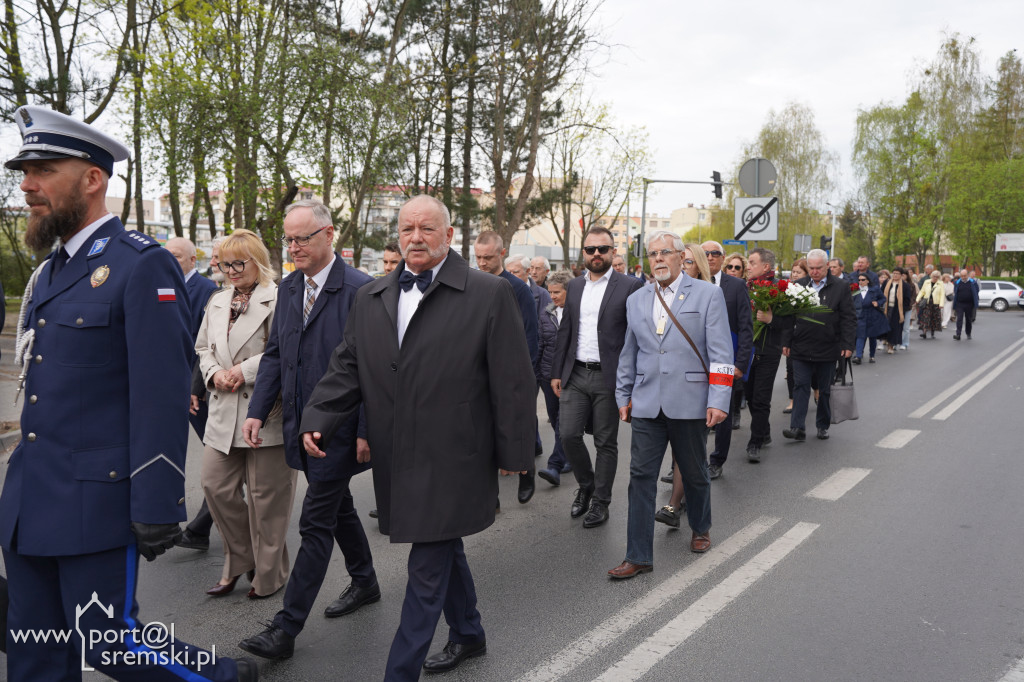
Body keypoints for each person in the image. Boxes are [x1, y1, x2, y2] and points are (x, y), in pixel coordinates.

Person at [1, 105, 252, 680]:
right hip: (32, 500)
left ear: (92, 178)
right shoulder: (50, 271)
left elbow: (161, 395)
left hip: (96, 502)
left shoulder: (140, 266)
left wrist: (158, 503)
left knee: (108, 644)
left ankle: (225, 678)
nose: (27, 185)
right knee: (35, 652)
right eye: (24, 170)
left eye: (42, 169)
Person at [298, 194, 534, 679]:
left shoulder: (488, 293)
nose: (415, 238)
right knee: (442, 543)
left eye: (427, 229)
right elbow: (347, 366)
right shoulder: (373, 297)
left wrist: (516, 453)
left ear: (448, 235)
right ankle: (468, 632)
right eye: (407, 229)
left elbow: (512, 379)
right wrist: (317, 416)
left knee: (426, 566)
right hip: (398, 453)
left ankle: (398, 672)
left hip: (457, 456)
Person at [238, 201, 379, 661]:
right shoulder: (289, 288)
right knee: (337, 507)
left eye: (302, 238)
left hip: (337, 430)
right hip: (301, 425)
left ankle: (286, 628)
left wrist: (364, 429)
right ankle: (365, 580)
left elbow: (373, 372)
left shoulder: (361, 291)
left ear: (329, 234)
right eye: (288, 239)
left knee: (315, 522)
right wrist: (259, 411)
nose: (293, 247)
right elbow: (278, 354)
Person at [608, 230, 733, 580]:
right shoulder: (637, 299)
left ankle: (701, 526)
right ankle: (638, 556)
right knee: (640, 478)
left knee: (694, 472)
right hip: (647, 403)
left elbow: (722, 353)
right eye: (652, 254)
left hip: (692, 401)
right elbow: (628, 352)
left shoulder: (708, 295)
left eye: (665, 252)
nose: (658, 259)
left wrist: (719, 399)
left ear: (681, 256)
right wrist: (623, 394)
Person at [197, 229, 297, 599]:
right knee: (214, 486)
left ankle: (269, 575)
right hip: (224, 409)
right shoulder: (218, 300)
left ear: (257, 261)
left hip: (265, 408)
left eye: (239, 263)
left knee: (266, 500)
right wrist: (213, 373)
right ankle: (241, 560)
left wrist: (244, 371)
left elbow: (286, 349)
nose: (231, 270)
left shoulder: (281, 296)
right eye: (225, 264)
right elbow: (203, 348)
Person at [551, 227, 643, 528]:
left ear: (613, 252)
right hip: (576, 372)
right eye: (591, 249)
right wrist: (556, 371)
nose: (596, 254)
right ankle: (586, 484)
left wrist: (631, 383)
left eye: (603, 249)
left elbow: (636, 335)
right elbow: (566, 330)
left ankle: (601, 502)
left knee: (606, 442)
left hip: (609, 377)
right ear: (584, 253)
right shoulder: (575, 286)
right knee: (567, 434)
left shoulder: (629, 286)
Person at [476, 231, 539, 503]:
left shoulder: (518, 288)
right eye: (477, 257)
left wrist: (524, 375)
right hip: (482, 370)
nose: (481, 263)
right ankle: (492, 495)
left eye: (487, 257)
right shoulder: (473, 284)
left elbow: (529, 334)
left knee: (520, 422)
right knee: (484, 429)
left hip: (515, 370)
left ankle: (527, 471)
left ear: (501, 254)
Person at [657, 244, 711, 522]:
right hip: (664, 384)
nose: (683, 264)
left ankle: (676, 506)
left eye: (689, 261)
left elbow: (720, 347)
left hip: (695, 386)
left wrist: (719, 394)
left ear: (698, 265)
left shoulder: (709, 295)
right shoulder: (659, 294)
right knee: (680, 454)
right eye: (681, 259)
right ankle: (678, 502)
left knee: (690, 456)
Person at [781, 248, 856, 441]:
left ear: (827, 266)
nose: (814, 271)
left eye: (819, 268)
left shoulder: (840, 287)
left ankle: (823, 424)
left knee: (824, 390)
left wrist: (848, 344)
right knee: (800, 386)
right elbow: (789, 316)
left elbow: (848, 317)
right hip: (801, 345)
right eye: (811, 268)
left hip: (828, 347)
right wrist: (786, 341)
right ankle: (797, 427)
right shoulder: (798, 285)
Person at [701, 240, 753, 481]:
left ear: (722, 258)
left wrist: (741, 363)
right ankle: (682, 465)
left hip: (725, 362)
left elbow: (745, 327)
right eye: (705, 253)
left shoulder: (736, 286)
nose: (710, 257)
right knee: (690, 413)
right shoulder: (690, 283)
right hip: (697, 361)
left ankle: (717, 459)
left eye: (714, 253)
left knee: (722, 411)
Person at [743, 248, 785, 462]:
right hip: (748, 350)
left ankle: (755, 442)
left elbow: (790, 323)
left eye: (751, 262)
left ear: (766, 267)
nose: (747, 266)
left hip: (769, 350)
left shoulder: (780, 289)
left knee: (761, 398)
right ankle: (764, 430)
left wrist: (771, 320)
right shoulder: (745, 287)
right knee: (749, 395)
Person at [537, 270, 573, 486]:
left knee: (563, 420)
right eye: (550, 292)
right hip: (547, 374)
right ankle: (568, 455)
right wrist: (536, 371)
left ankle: (554, 465)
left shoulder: (577, 312)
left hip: (569, 376)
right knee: (555, 418)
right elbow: (541, 343)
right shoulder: (546, 312)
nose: (553, 296)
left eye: (557, 292)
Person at [783, 258, 809, 415]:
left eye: (799, 272)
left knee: (811, 369)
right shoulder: (787, 288)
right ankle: (793, 400)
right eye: (793, 271)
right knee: (791, 368)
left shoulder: (811, 289)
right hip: (792, 335)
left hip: (808, 335)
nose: (795, 274)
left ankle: (817, 389)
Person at [852, 272, 888, 364]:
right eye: (859, 280)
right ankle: (858, 356)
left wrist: (878, 303)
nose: (861, 281)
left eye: (863, 280)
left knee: (872, 337)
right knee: (860, 336)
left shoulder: (874, 289)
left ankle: (872, 356)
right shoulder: (855, 290)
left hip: (872, 315)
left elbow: (883, 298)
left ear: (868, 281)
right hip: (860, 315)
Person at [882, 268, 913, 354]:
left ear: (901, 275)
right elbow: (881, 294)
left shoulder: (905, 285)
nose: (895, 275)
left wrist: (903, 310)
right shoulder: (886, 283)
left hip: (897, 310)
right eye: (894, 273)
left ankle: (891, 346)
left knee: (894, 327)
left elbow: (907, 299)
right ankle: (887, 341)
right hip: (886, 308)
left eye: (897, 273)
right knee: (886, 326)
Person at [952, 269, 980, 340]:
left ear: (967, 275)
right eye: (962, 276)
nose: (963, 277)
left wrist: (975, 302)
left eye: (964, 276)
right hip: (959, 304)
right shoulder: (957, 282)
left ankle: (968, 333)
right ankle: (958, 334)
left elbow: (977, 291)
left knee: (968, 320)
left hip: (969, 304)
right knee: (959, 319)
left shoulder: (973, 282)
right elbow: (955, 291)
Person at [917, 269, 944, 339]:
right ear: (931, 276)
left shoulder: (940, 283)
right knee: (926, 317)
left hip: (936, 303)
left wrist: (941, 304)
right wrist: (918, 299)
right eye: (934, 276)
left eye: (937, 277)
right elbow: (922, 291)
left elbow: (942, 294)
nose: (935, 278)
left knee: (934, 318)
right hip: (927, 302)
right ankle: (924, 332)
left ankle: (932, 332)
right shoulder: (927, 282)